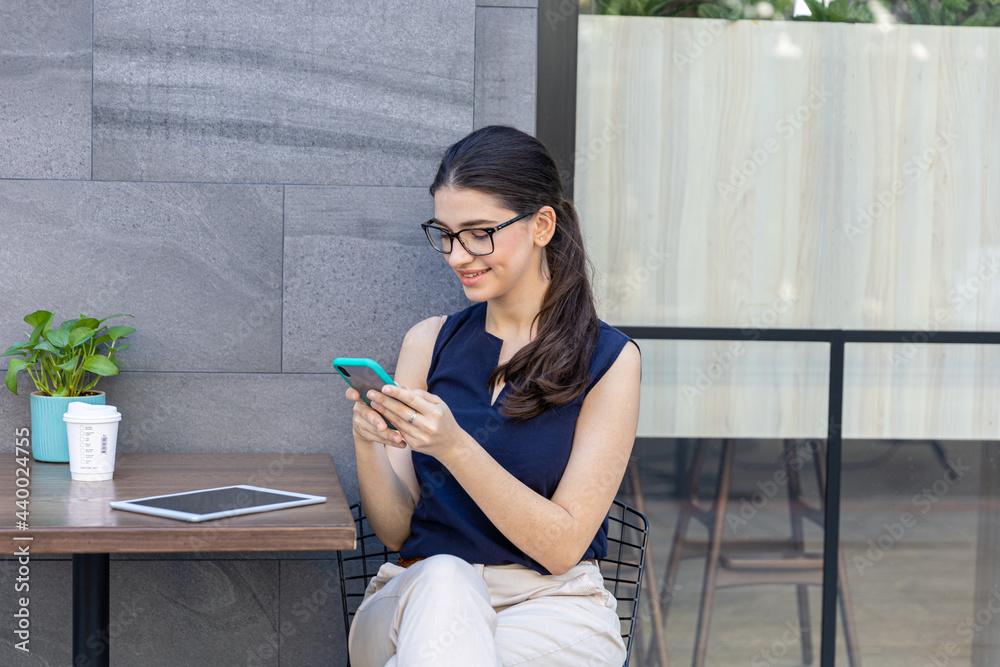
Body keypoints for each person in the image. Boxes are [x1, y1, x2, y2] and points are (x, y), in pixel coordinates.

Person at [344, 125, 641, 667]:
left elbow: (561, 546)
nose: (458, 256)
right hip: (416, 593)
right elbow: (394, 531)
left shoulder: (610, 360)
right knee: (446, 578)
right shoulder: (429, 342)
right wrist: (368, 441)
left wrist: (455, 446)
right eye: (446, 233)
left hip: (550, 603)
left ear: (542, 226)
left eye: (479, 233)